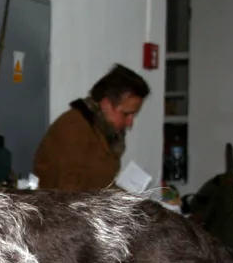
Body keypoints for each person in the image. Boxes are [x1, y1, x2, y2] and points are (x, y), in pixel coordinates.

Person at [33, 63, 150, 192]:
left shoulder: (105, 131)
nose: (130, 122)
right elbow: (68, 195)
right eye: (126, 114)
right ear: (106, 104)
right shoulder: (73, 128)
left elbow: (100, 184)